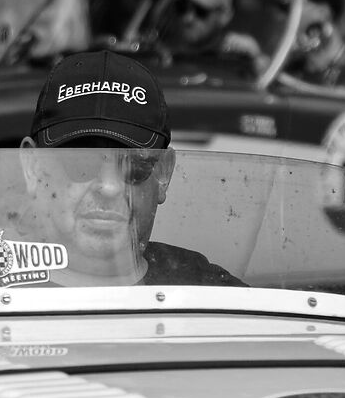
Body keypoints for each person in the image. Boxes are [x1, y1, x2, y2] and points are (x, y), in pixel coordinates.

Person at [14, 50, 241, 288]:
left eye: (134, 164)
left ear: (164, 172)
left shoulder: (212, 296)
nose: (109, 187)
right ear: (33, 167)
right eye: (81, 160)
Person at [156, 0, 261, 62]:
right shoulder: (160, 53)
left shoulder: (241, 54)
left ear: (224, 15)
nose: (188, 18)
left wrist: (255, 59)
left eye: (200, 11)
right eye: (182, 8)